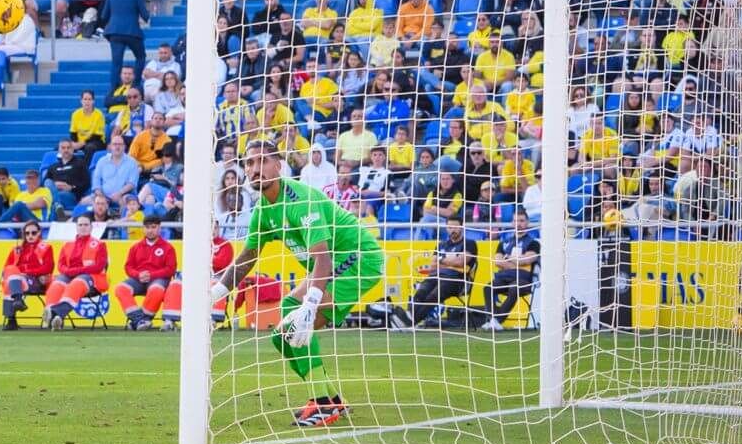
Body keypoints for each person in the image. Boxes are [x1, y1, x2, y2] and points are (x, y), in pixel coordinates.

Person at [214, 139, 384, 427]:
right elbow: (247, 257)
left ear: (278, 165)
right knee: (281, 336)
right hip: (331, 266)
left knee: (298, 323)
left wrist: (312, 303)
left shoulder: (301, 201)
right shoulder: (262, 211)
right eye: (249, 163)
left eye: (262, 161)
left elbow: (324, 258)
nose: (256, 169)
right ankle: (331, 400)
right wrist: (215, 293)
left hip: (358, 257)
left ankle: (321, 405)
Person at [43, 214, 108, 329]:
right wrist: (68, 271)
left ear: (91, 227)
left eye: (86, 225)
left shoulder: (100, 245)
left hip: (92, 278)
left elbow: (98, 266)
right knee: (57, 284)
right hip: (69, 275)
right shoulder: (67, 245)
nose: (83, 227)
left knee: (77, 283)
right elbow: (60, 265)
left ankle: (54, 314)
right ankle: (53, 317)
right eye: (80, 225)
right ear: (76, 227)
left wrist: (76, 271)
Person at [408, 215, 474, 327]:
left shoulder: (469, 244)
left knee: (432, 296)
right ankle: (408, 319)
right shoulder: (441, 244)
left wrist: (441, 259)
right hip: (437, 276)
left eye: (455, 227)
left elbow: (460, 262)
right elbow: (433, 265)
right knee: (420, 293)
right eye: (450, 227)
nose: (452, 230)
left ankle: (410, 322)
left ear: (462, 227)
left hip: (457, 280)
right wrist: (449, 261)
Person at [479, 209, 539, 331]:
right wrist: (517, 262)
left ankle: (496, 321)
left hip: (524, 279)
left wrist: (509, 258)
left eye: (522, 221)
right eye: (516, 221)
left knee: (514, 287)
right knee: (488, 288)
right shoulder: (504, 242)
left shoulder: (533, 243)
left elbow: (528, 260)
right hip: (504, 277)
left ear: (527, 223)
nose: (518, 224)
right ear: (512, 223)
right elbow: (497, 261)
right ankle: (493, 320)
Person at [113, 217, 176, 330]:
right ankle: (139, 320)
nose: (150, 230)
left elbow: (170, 270)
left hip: (159, 279)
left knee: (156, 289)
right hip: (139, 279)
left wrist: (151, 275)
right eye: (147, 227)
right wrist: (138, 275)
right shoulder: (135, 247)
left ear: (159, 228)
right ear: (143, 229)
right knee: (120, 288)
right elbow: (128, 267)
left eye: (153, 227)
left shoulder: (168, 248)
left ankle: (141, 321)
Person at [0, 220, 54, 331]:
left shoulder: (46, 248)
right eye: (27, 233)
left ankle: (11, 319)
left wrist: (26, 271)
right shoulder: (16, 250)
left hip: (36, 281)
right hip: (19, 280)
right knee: (9, 277)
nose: (30, 236)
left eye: (33, 233)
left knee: (11, 280)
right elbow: (6, 268)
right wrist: (19, 273)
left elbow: (48, 268)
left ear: (39, 233)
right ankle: (18, 299)